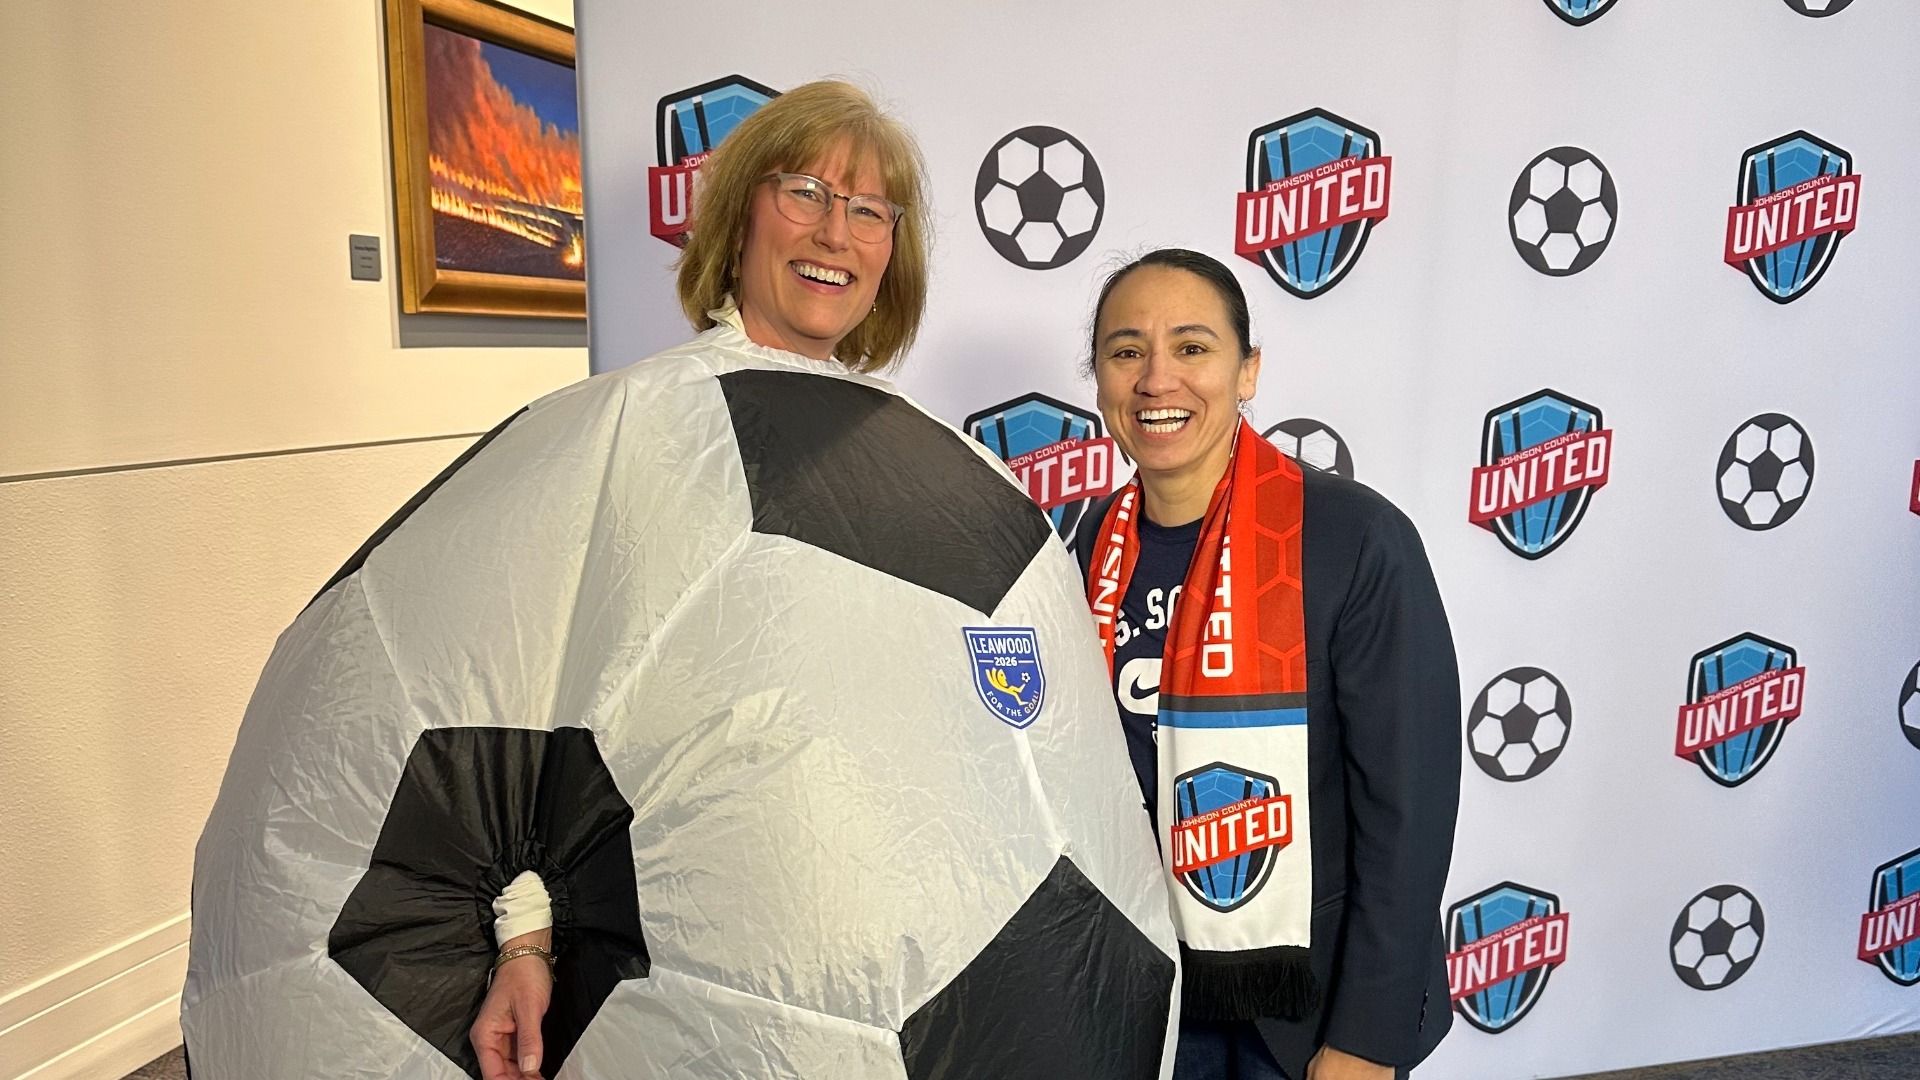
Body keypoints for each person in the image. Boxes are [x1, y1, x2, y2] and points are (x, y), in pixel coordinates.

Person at [1072, 249, 1461, 1080]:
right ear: (1099, 380)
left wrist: (1368, 1038)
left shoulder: (1353, 537)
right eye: (1127, 351)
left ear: (1247, 371)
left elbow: (1409, 809)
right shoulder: (1091, 541)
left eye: (1193, 347)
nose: (1157, 379)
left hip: (1304, 1011)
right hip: (1146, 995)